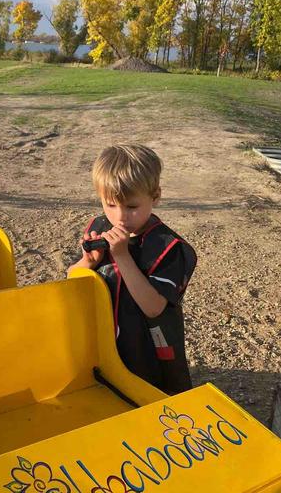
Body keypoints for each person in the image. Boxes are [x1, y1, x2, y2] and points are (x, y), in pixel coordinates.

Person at [67, 144, 197, 394]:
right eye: (110, 205)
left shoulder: (168, 247)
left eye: (132, 207)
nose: (120, 218)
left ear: (155, 197)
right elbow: (72, 278)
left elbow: (154, 307)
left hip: (146, 350)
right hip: (105, 341)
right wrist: (88, 262)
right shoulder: (99, 226)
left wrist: (122, 256)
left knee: (148, 395)